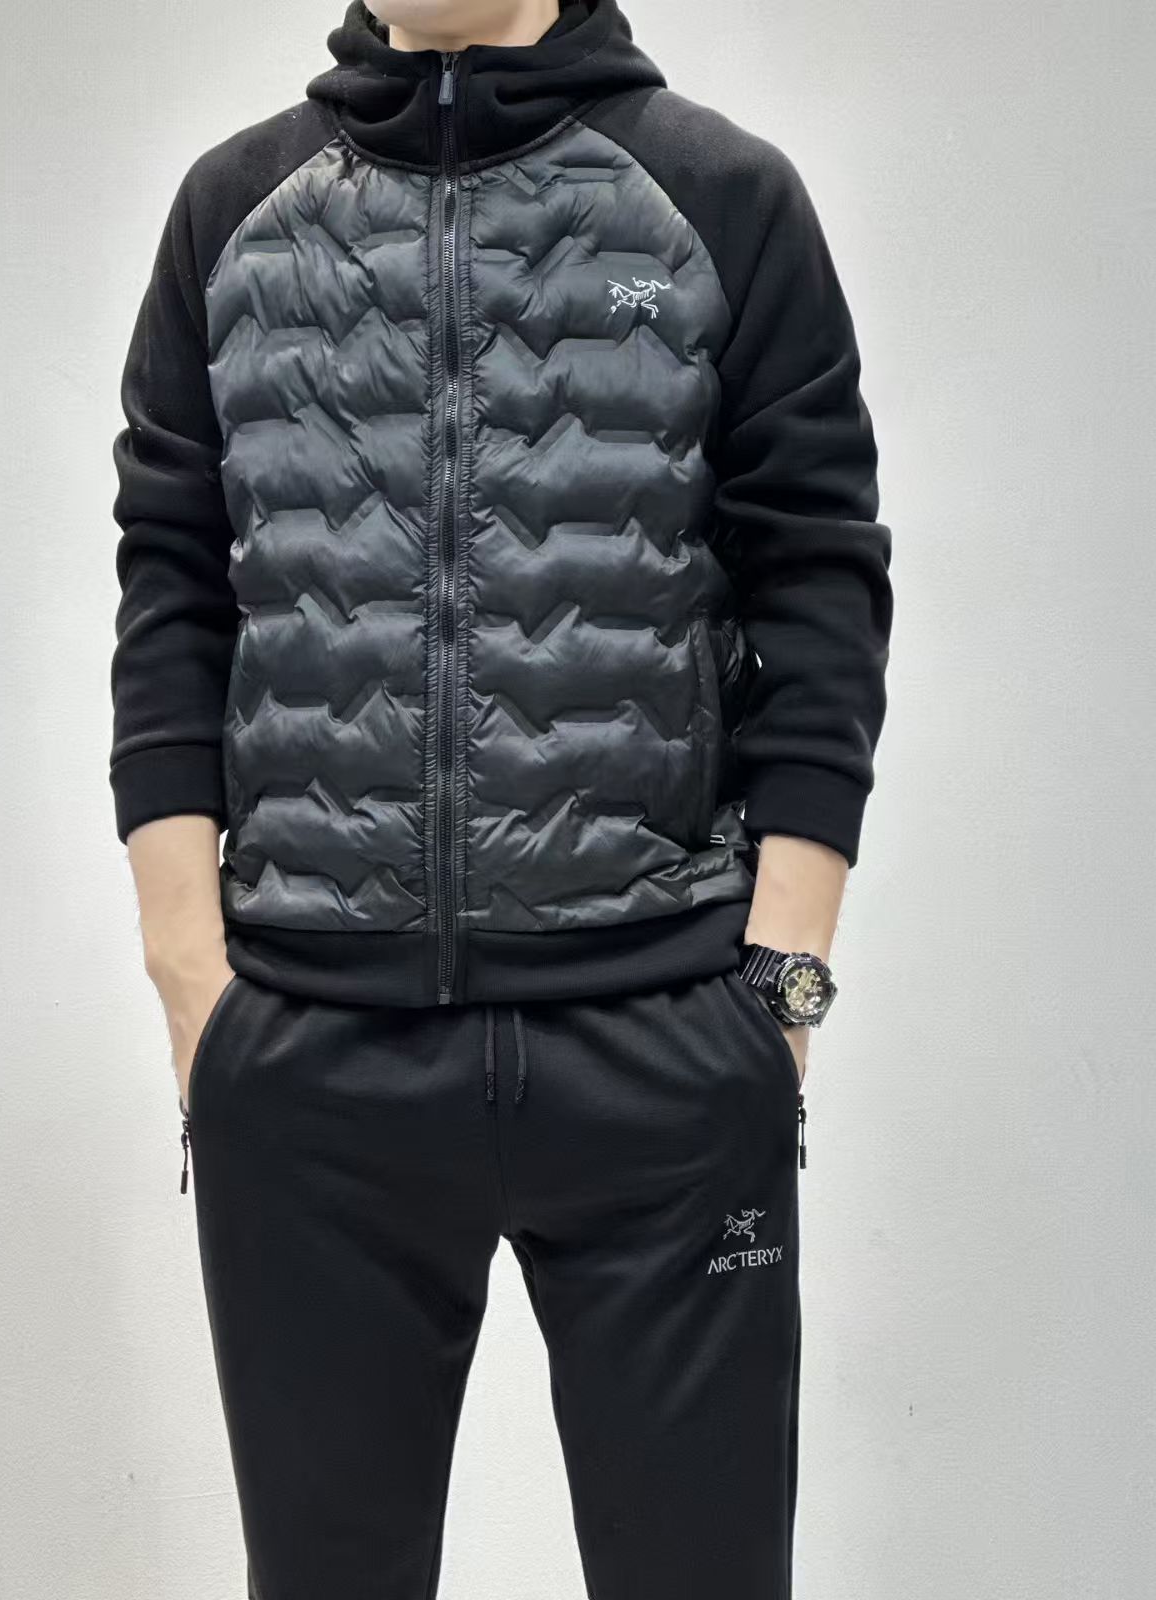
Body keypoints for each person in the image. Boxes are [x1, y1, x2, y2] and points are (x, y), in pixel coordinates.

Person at [107, 0, 893, 1593]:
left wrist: (782, 992)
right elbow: (173, 591)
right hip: (312, 1061)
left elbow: (821, 581)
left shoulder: (723, 196)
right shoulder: (230, 211)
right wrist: (193, 984)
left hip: (664, 1049)